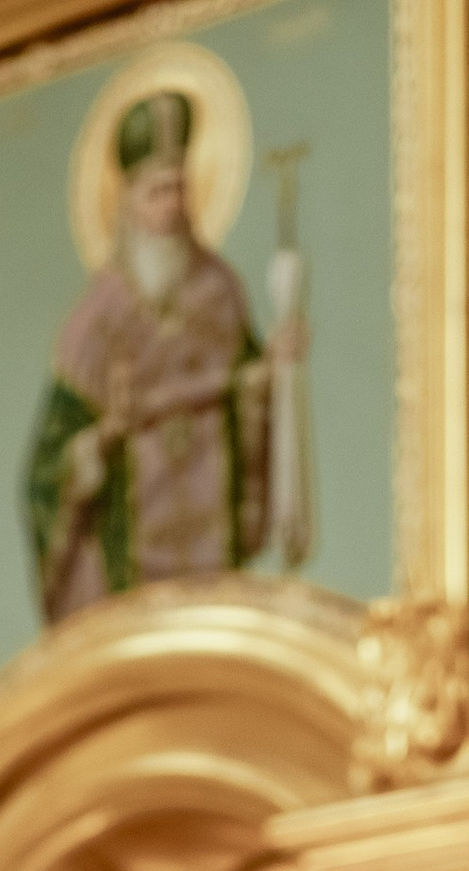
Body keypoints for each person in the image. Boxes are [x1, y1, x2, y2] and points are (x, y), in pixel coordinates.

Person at [25, 89, 292, 621]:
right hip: (132, 559)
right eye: (156, 192)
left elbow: (246, 390)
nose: (171, 207)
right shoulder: (96, 319)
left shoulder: (219, 290)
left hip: (211, 546)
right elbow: (45, 471)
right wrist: (103, 437)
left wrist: (270, 370)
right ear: (126, 202)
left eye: (179, 189)